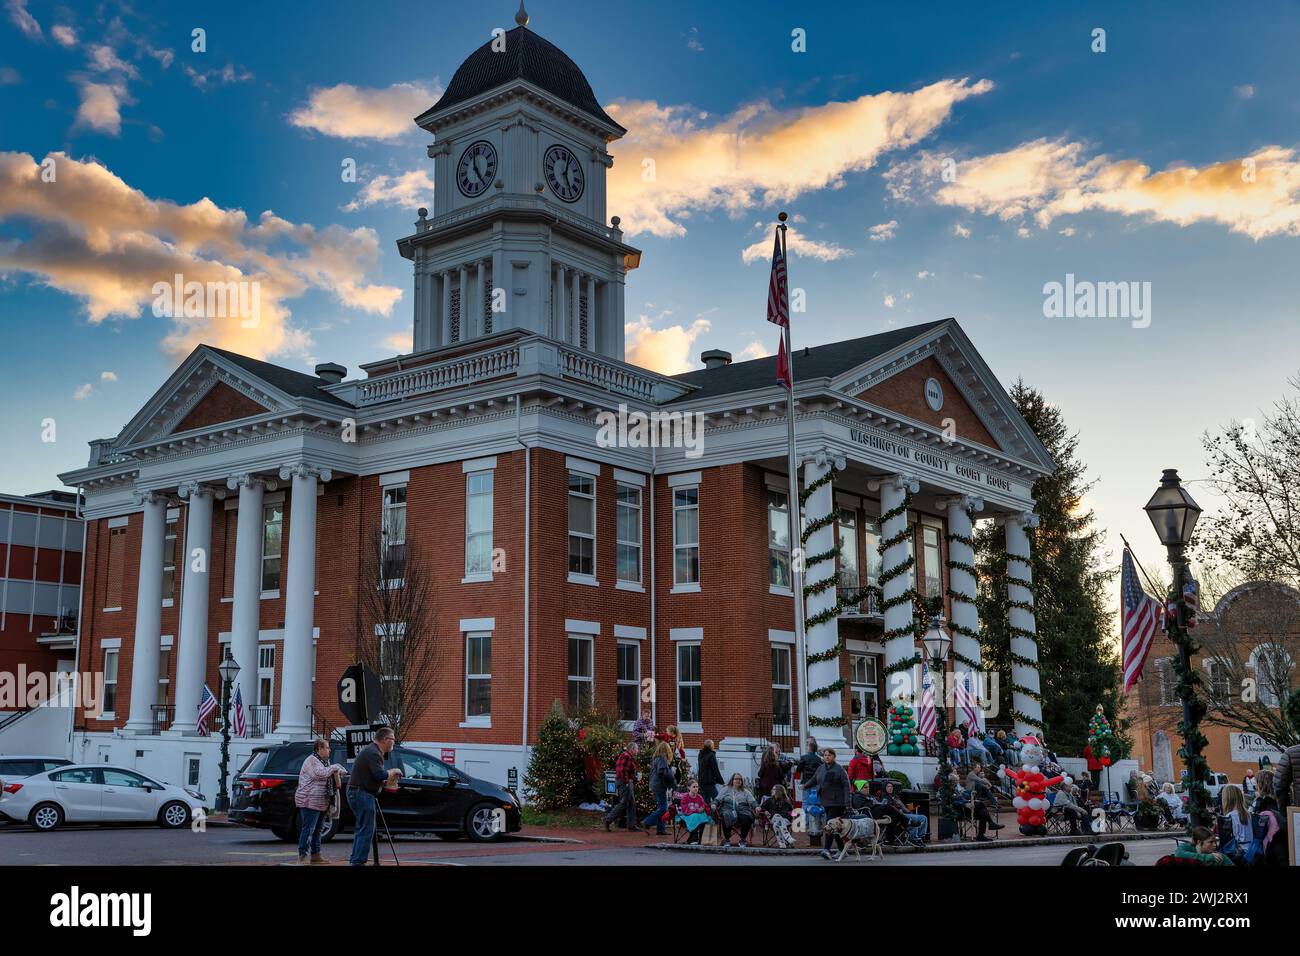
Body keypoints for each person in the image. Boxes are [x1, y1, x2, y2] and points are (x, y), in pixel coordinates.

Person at [347, 726, 401, 867]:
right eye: (393, 739)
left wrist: (385, 782)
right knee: (366, 830)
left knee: (362, 829)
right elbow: (379, 774)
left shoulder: (373, 751)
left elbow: (374, 777)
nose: (394, 742)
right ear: (385, 740)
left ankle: (355, 860)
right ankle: (358, 862)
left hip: (359, 792)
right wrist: (392, 771)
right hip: (361, 793)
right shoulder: (373, 752)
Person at [295, 738, 347, 864]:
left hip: (322, 801)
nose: (329, 750)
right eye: (327, 747)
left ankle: (315, 855)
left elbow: (328, 772)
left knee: (318, 830)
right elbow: (319, 774)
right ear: (319, 749)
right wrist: (335, 767)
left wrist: (339, 771)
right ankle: (302, 857)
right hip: (309, 801)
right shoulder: (311, 760)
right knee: (308, 830)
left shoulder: (324, 762)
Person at [809, 748, 851, 860]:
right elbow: (814, 780)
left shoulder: (839, 769)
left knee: (830, 825)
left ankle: (826, 849)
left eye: (829, 755)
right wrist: (805, 785)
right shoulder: (821, 768)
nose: (827, 757)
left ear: (834, 757)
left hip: (838, 803)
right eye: (825, 755)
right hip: (826, 801)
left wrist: (848, 803)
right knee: (836, 827)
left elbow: (846, 786)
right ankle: (843, 850)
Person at [601, 740, 642, 832]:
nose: (638, 751)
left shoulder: (626, 756)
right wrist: (627, 782)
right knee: (624, 803)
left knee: (631, 803)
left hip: (625, 781)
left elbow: (627, 771)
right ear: (632, 749)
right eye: (637, 749)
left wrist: (634, 779)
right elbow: (622, 770)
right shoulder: (626, 756)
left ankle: (631, 825)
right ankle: (608, 819)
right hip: (624, 782)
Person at [642, 741, 677, 835]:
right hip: (659, 786)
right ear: (667, 750)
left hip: (655, 784)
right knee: (663, 808)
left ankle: (660, 829)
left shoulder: (656, 758)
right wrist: (670, 775)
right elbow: (662, 771)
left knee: (661, 806)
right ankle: (647, 821)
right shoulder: (662, 758)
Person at [713, 773, 758, 847]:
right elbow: (718, 799)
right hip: (728, 808)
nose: (738, 781)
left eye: (740, 779)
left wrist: (756, 807)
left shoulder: (746, 791)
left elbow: (752, 801)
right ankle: (727, 839)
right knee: (726, 815)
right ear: (732, 780)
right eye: (736, 779)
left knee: (748, 817)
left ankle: (742, 839)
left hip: (742, 809)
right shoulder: (725, 789)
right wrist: (714, 804)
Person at [880, 780, 927, 845]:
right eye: (888, 786)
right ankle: (913, 838)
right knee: (914, 819)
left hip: (904, 813)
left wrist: (908, 810)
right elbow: (887, 809)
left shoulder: (895, 797)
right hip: (898, 815)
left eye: (891, 786)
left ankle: (920, 836)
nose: (890, 788)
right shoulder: (884, 798)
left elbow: (904, 808)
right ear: (884, 788)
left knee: (923, 818)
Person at [1221, 784, 1253, 861]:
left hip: (1238, 854)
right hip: (1251, 851)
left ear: (1227, 799)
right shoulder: (1248, 814)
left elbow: (1229, 840)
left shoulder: (1230, 817)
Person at [761, 783, 797, 848]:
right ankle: (788, 837)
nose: (772, 790)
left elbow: (792, 811)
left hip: (785, 820)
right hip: (773, 818)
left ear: (779, 791)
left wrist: (794, 817)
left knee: (776, 825)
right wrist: (765, 811)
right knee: (777, 816)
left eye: (774, 789)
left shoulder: (786, 801)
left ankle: (782, 843)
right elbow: (762, 807)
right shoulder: (769, 800)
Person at [676, 780, 710, 844]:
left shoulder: (700, 797)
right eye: (694, 787)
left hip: (698, 815)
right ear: (689, 788)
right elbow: (685, 810)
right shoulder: (685, 798)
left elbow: (702, 807)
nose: (696, 788)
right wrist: (697, 810)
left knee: (705, 818)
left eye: (697, 787)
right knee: (695, 817)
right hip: (686, 815)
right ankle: (694, 839)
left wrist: (701, 809)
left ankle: (701, 839)